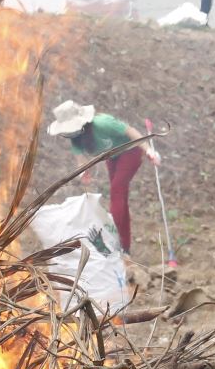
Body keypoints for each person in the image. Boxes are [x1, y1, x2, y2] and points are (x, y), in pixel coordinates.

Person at [47, 100, 157, 255]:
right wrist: (85, 171)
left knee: (117, 191)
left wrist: (148, 150)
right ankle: (124, 247)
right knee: (120, 197)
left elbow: (131, 131)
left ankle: (116, 241)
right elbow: (81, 160)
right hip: (111, 157)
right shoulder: (76, 138)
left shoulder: (103, 123)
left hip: (130, 151)